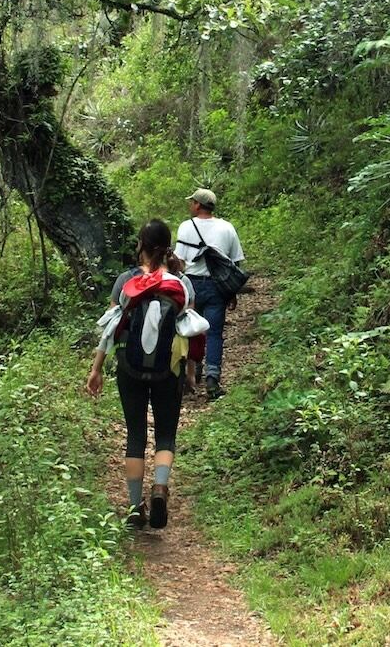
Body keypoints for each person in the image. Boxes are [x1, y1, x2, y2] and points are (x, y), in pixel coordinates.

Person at [86, 219, 193, 530]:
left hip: (129, 369)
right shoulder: (181, 282)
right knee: (165, 435)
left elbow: (110, 328)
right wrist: (189, 372)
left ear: (141, 245)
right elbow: (188, 331)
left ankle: (135, 507)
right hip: (168, 369)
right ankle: (160, 487)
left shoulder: (125, 281)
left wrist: (96, 369)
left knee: (135, 435)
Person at [174, 188, 244, 401]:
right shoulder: (227, 228)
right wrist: (232, 292)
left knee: (190, 330)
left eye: (192, 201)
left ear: (197, 205)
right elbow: (236, 262)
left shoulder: (186, 227)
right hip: (217, 287)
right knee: (213, 332)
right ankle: (213, 379)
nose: (190, 205)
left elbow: (179, 262)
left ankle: (191, 374)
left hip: (192, 286)